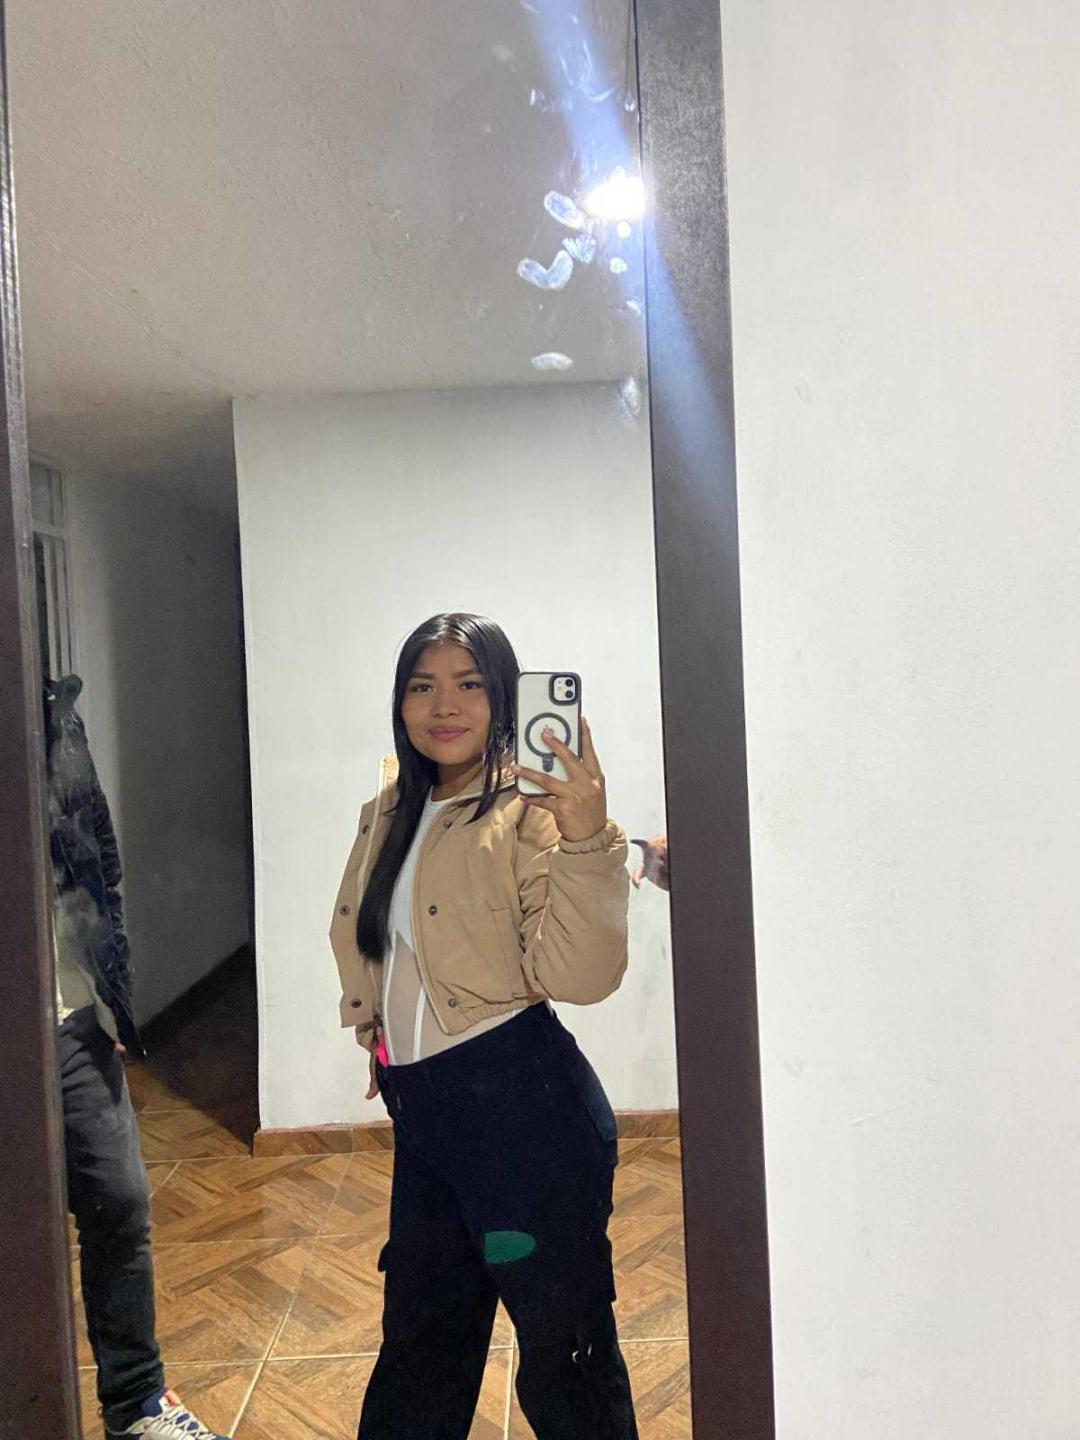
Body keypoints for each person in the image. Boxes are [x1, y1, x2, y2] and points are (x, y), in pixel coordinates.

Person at [329, 613, 639, 1439]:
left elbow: (581, 977)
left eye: (469, 685)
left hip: (526, 1120)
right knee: (420, 1348)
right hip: (427, 1118)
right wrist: (382, 1037)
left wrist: (587, 836)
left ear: (504, 698)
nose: (444, 706)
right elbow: (372, 938)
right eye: (422, 686)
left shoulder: (531, 813)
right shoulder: (390, 808)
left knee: (564, 1354)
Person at [46, 675, 230, 1440]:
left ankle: (136, 1405)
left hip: (69, 1015)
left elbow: (99, 860)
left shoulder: (52, 718)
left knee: (118, 1201)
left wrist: (112, 990)